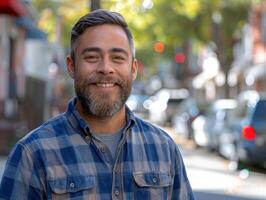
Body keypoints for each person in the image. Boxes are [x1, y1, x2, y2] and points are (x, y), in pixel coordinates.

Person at [0, 9, 194, 200]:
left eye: (117, 58)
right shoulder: (32, 154)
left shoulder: (164, 148)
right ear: (71, 66)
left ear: (133, 69)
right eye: (92, 57)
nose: (106, 69)